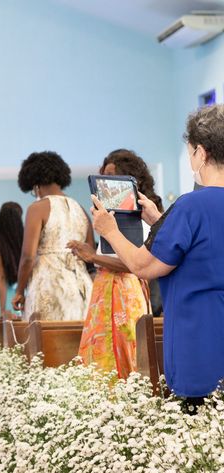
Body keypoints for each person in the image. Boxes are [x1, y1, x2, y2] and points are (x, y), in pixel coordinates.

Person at [91, 105, 224, 410]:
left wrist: (109, 229)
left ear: (201, 153)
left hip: (201, 344)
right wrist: (160, 221)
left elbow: (142, 265)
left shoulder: (191, 207)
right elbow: (204, 248)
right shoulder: (188, 212)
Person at [67, 150, 163, 378]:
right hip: (104, 290)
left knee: (126, 352)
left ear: (129, 180)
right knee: (100, 357)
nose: (104, 183)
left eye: (110, 176)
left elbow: (137, 264)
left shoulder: (144, 214)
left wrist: (93, 257)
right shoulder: (111, 215)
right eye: (103, 176)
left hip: (125, 291)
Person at [12, 151, 93, 321]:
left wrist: (19, 291)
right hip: (82, 287)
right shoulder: (81, 210)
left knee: (45, 343)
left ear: (35, 185)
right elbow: (90, 253)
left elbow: (28, 256)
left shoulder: (37, 208)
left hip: (49, 284)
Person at [0, 202, 23, 316]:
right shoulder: (26, 246)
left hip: (5, 300)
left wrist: (3, 309)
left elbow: (1, 279)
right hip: (24, 298)